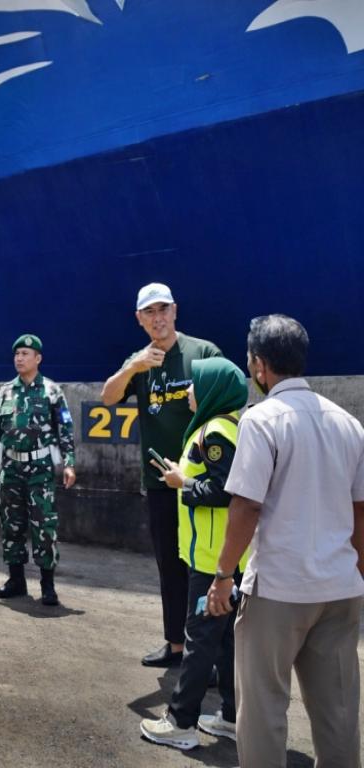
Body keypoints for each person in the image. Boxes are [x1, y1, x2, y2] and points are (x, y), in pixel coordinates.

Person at [207, 315, 364, 766]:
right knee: (338, 714)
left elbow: (246, 505)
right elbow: (360, 510)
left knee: (263, 710)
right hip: (340, 589)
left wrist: (222, 575)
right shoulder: (348, 423)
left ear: (259, 365)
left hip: (279, 590)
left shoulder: (260, 421)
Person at [101, 282, 221, 667]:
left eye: (163, 310)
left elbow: (231, 401)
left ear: (175, 311)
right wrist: (133, 366)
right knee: (170, 565)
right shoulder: (139, 361)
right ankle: (176, 646)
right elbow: (108, 397)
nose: (158, 318)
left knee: (206, 566)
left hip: (201, 482)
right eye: (149, 313)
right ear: (140, 320)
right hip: (159, 483)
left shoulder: (202, 353)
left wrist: (203, 402)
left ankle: (214, 654)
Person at [138, 357, 249, 750]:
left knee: (200, 639)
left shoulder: (217, 433)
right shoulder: (224, 426)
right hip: (224, 555)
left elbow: (228, 491)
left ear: (214, 389)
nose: (187, 391)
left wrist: (180, 483)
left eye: (194, 384)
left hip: (212, 558)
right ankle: (234, 717)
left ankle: (181, 722)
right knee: (224, 641)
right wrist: (183, 473)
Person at [0, 333, 76, 606]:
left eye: (25, 354)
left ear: (38, 358)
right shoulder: (5, 391)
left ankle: (48, 584)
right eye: (17, 354)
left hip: (40, 470)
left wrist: (69, 464)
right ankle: (16, 580)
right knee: (12, 524)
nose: (19, 358)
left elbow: (65, 430)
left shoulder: (52, 391)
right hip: (10, 468)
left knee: (44, 526)